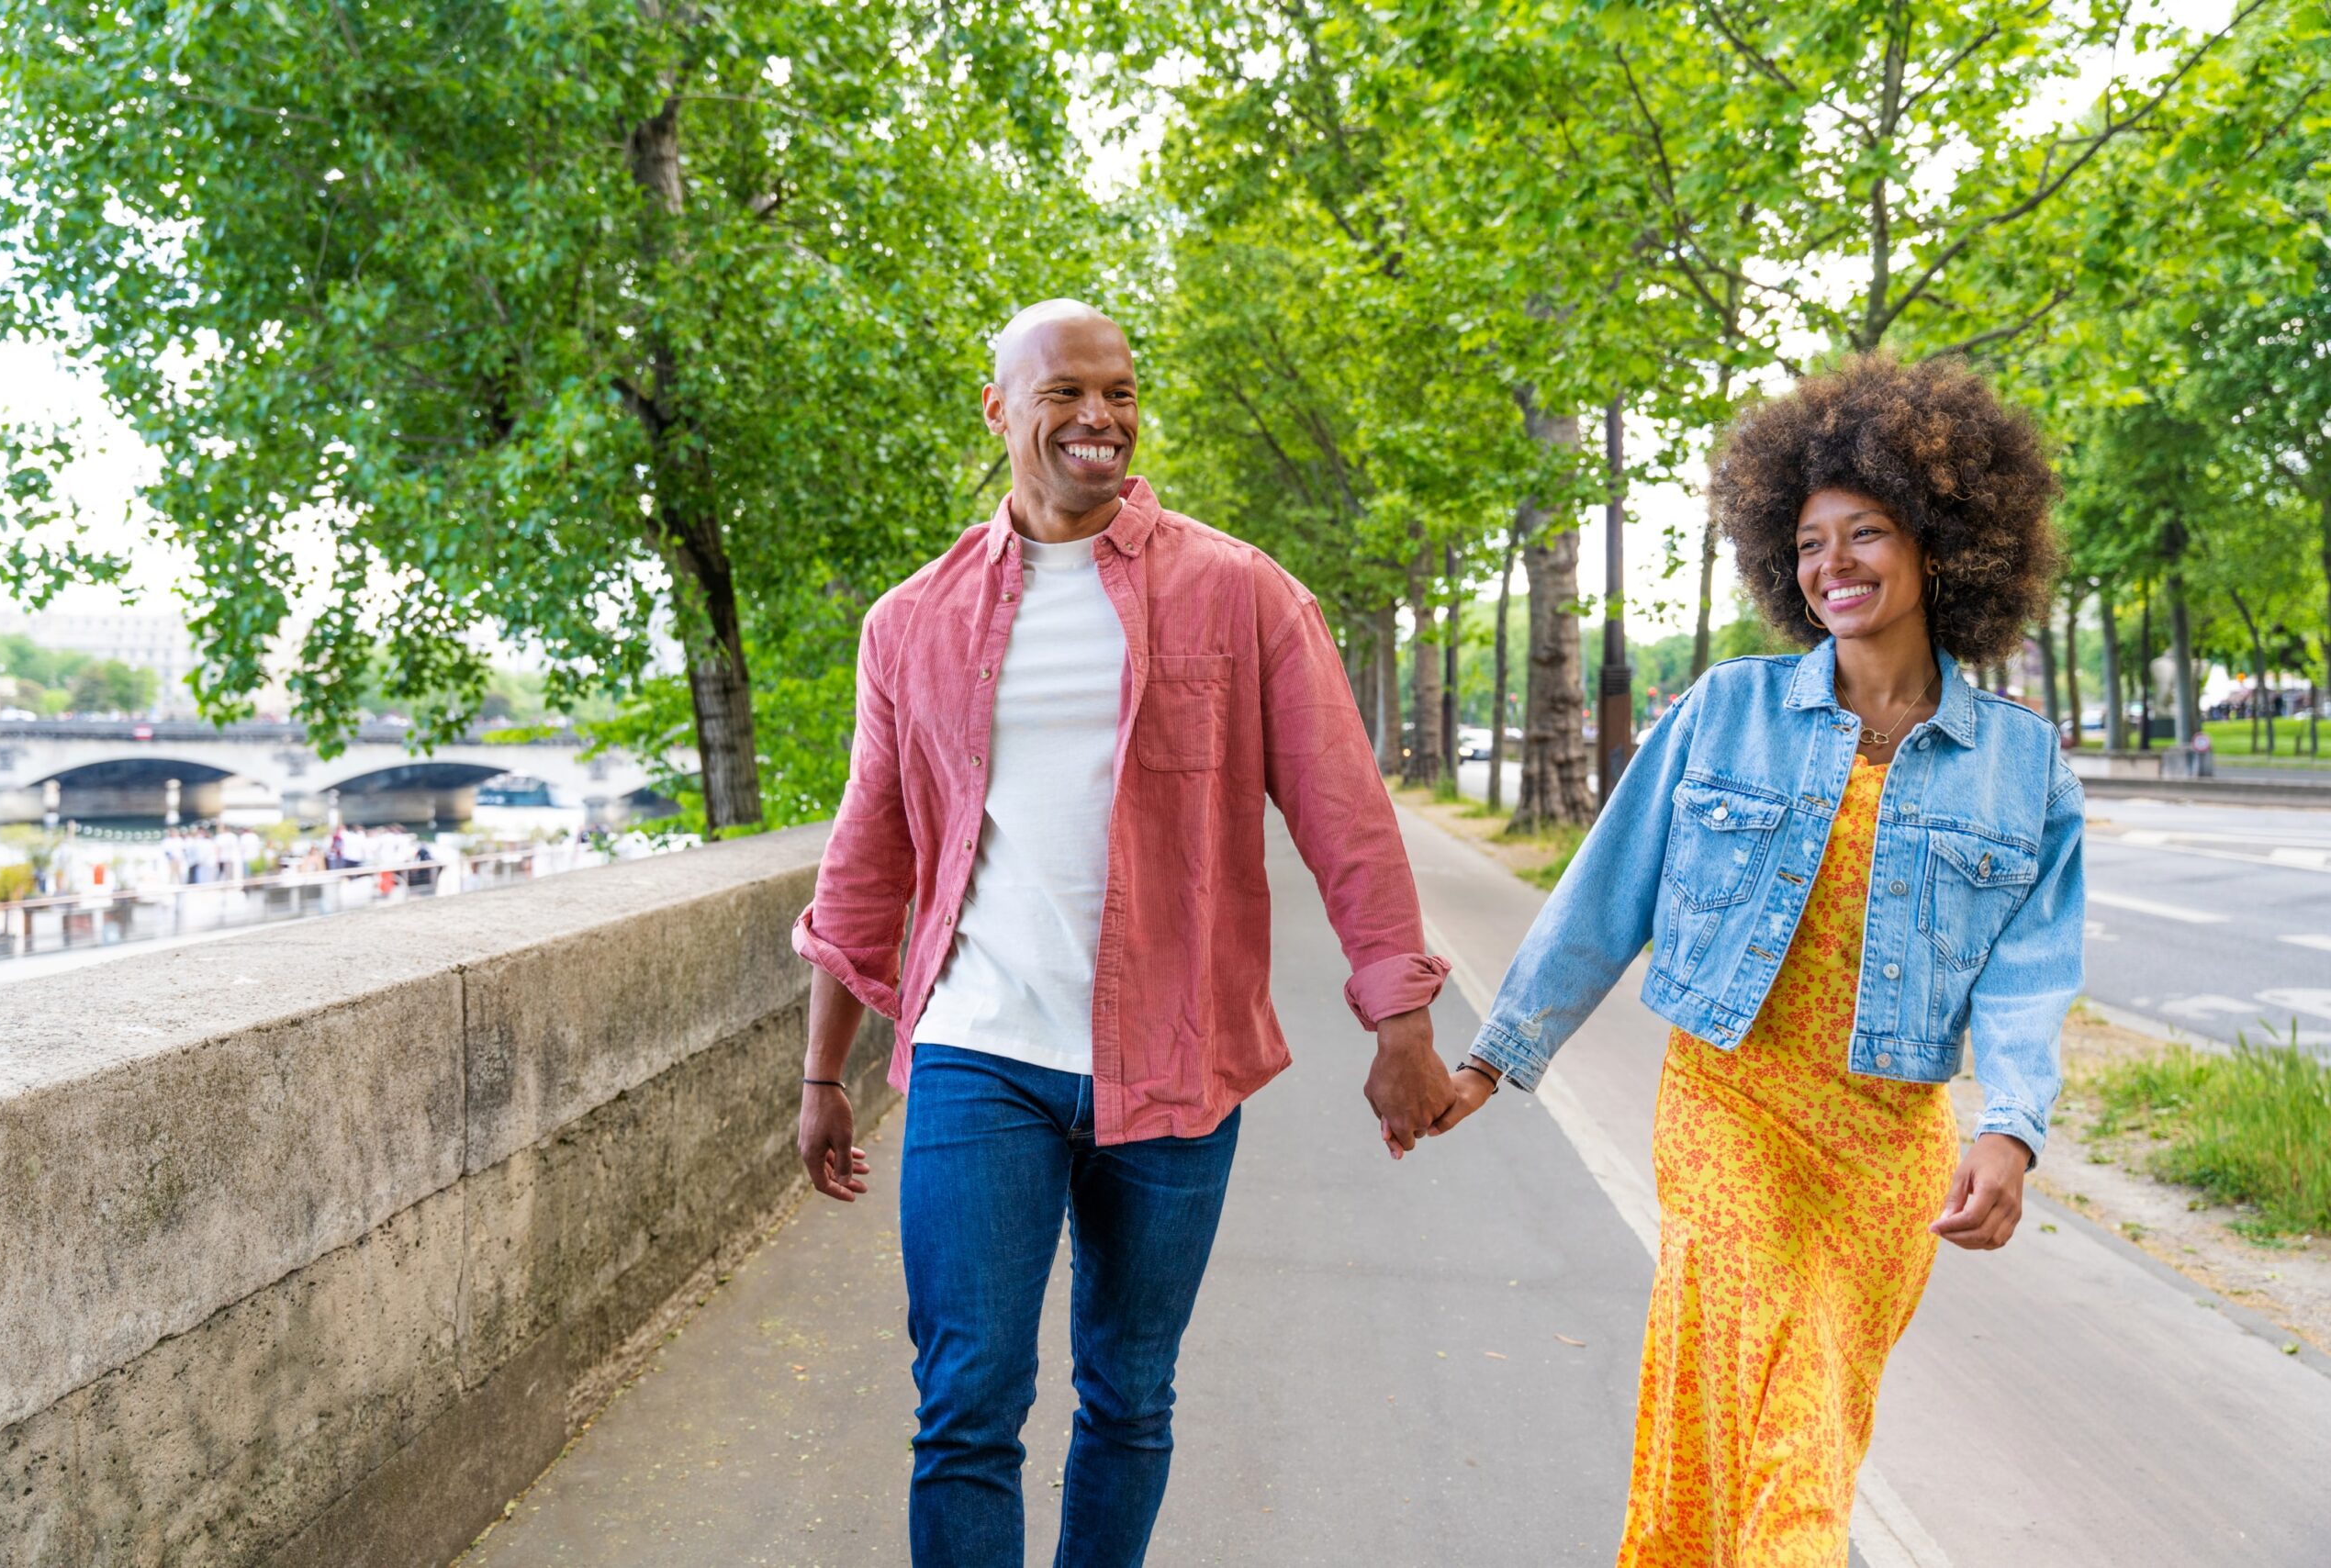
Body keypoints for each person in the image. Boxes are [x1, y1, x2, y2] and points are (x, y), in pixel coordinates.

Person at [791, 298, 1454, 1568]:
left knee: (1129, 1397)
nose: (1101, 418)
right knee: (967, 1405)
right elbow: (867, 862)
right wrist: (823, 1075)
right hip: (979, 1054)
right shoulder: (911, 622)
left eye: (1120, 392)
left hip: (1178, 1061)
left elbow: (1346, 817)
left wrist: (1402, 1018)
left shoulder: (1240, 592)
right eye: (1065, 393)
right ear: (1000, 411)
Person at [1432, 355, 2085, 1566]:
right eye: (1807, 543)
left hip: (1888, 1146)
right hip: (1730, 1105)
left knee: (1804, 1416)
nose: (1831, 564)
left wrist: (2013, 1128)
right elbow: (1603, 896)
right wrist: (1495, 1057)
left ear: (1941, 544)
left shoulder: (2023, 765)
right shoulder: (1727, 713)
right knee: (1773, 1422)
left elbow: (2029, 975)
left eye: (1866, 533)